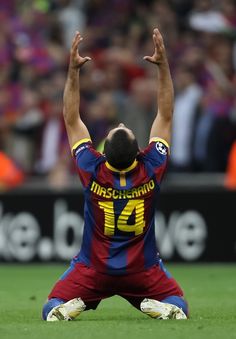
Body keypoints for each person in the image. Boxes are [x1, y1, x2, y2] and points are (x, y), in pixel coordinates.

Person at [42, 28, 188, 321]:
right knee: (179, 303)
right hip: (142, 271)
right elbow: (166, 114)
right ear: (139, 151)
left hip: (93, 270)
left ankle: (71, 306)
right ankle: (163, 308)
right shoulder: (152, 167)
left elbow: (71, 118)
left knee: (51, 305)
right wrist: (163, 67)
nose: (120, 121)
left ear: (103, 153)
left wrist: (73, 71)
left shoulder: (90, 168)